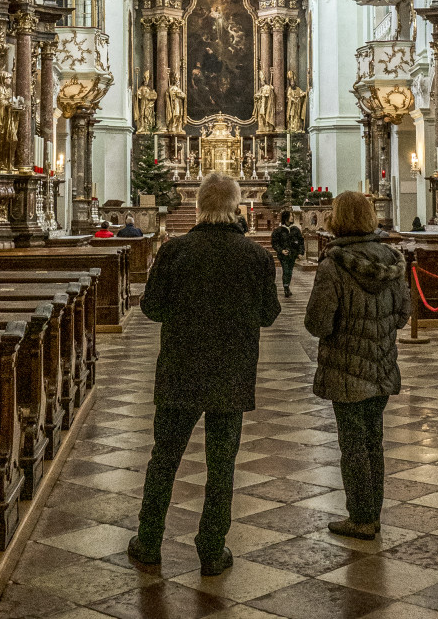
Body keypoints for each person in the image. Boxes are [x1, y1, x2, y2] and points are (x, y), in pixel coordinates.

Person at [128, 172, 280, 577]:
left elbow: (152, 309)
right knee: (222, 464)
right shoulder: (257, 257)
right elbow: (269, 315)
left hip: (181, 370)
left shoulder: (175, 251)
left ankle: (148, 540)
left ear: (198, 206)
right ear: (237, 206)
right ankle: (212, 548)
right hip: (231, 372)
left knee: (164, 457)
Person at [303, 191, 409, 539]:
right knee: (373, 441)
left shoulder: (334, 265)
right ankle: (372, 513)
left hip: (346, 369)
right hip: (380, 365)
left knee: (352, 444)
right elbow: (404, 316)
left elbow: (318, 324)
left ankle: (361, 517)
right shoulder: (393, 262)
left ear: (337, 221)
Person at [270, 208, 305, 296]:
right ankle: (286, 288)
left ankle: (287, 286)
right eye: (291, 216)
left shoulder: (295, 229)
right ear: (286, 218)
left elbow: (300, 241)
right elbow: (274, 243)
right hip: (283, 255)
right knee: (286, 270)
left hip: (293, 254)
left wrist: (300, 252)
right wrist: (281, 250)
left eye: (292, 216)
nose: (292, 217)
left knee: (290, 271)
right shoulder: (279, 230)